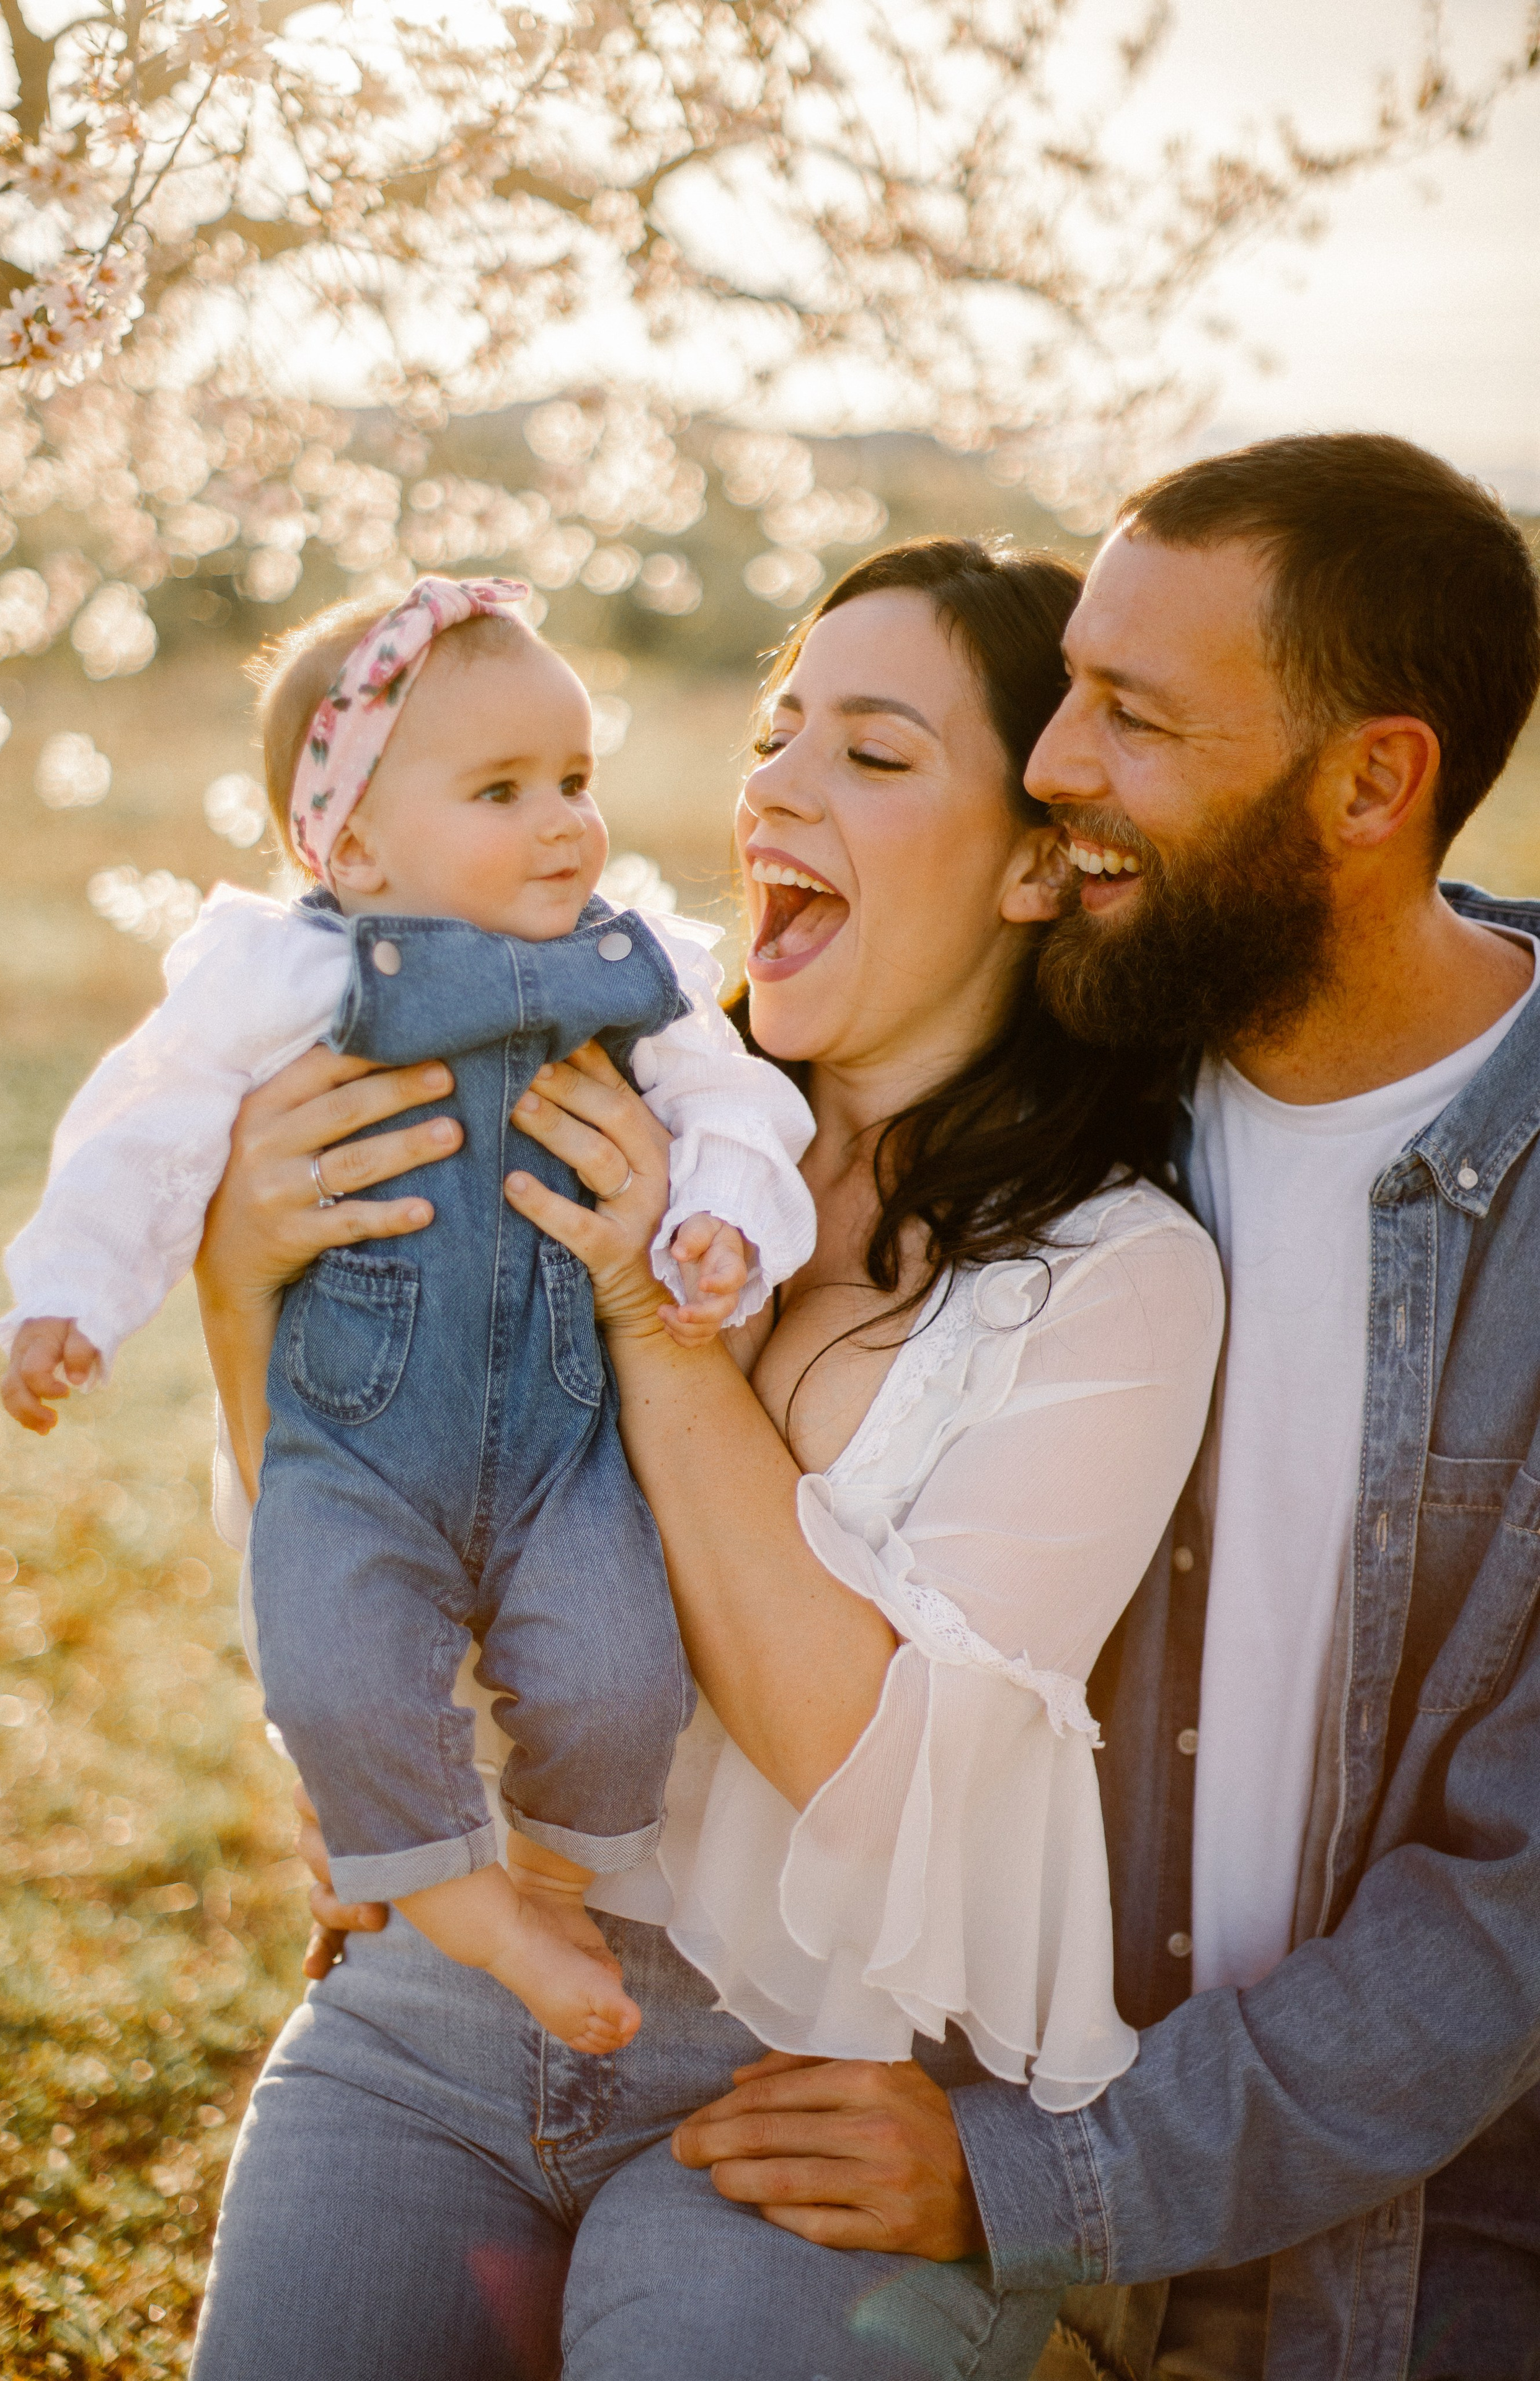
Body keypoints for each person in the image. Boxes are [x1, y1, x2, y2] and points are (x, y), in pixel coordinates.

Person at [187, 538, 1223, 2379]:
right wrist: (237, 1288)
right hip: (444, 2012)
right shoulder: (603, 1088)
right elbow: (355, 1532)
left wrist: (657, 1320)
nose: (774, 792)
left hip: (797, 2102)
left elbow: (859, 1762)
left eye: (876, 755)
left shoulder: (1119, 1279)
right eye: (775, 729)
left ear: (1036, 859)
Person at [660, 435, 1540, 2381]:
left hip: (1403, 2274)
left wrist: (1046, 2174)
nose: (1055, 764)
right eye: (1067, 694)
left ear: (1373, 782)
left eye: (1131, 716)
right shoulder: (1089, 1082)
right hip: (967, 2156)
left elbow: (1512, 1911)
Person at [0, 571, 818, 2054]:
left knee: (620, 1678)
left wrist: (725, 1219)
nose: (567, 822)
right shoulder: (285, 974)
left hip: (569, 1446)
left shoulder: (631, 963)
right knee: (336, 1663)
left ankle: (556, 1875)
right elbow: (147, 1129)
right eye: (501, 790)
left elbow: (729, 1098)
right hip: (356, 1439)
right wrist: (70, 1295)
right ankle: (458, 1904)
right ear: (353, 844)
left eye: (575, 779)